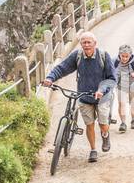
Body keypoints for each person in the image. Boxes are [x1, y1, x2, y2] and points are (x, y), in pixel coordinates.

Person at [41, 31, 116, 162]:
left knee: (103, 124)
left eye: (89, 42)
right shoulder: (78, 55)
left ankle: (105, 134)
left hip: (102, 97)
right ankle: (93, 150)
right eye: (83, 42)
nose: (86, 45)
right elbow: (62, 68)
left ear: (95, 44)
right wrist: (50, 78)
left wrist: (102, 89)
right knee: (90, 124)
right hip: (84, 96)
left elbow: (112, 78)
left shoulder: (104, 56)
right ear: (80, 44)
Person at [111, 43, 134, 132]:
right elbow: (108, 72)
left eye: (127, 56)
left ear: (130, 55)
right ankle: (123, 123)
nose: (125, 58)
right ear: (119, 54)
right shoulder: (114, 61)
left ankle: (133, 120)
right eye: (123, 56)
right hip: (120, 86)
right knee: (122, 104)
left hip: (133, 86)